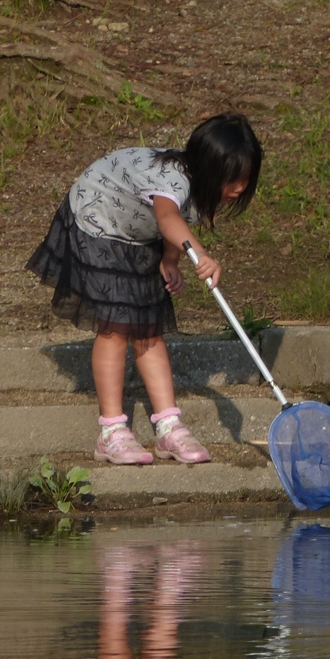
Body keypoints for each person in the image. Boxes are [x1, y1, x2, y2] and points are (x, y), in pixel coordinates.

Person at [26, 113, 263, 465]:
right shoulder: (173, 179)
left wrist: (171, 261)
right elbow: (168, 217)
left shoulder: (199, 192)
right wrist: (202, 256)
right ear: (208, 169)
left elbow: (174, 226)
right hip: (97, 219)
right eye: (233, 180)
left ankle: (168, 426)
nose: (240, 188)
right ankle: (111, 432)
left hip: (137, 235)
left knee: (149, 328)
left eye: (245, 180)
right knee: (115, 326)